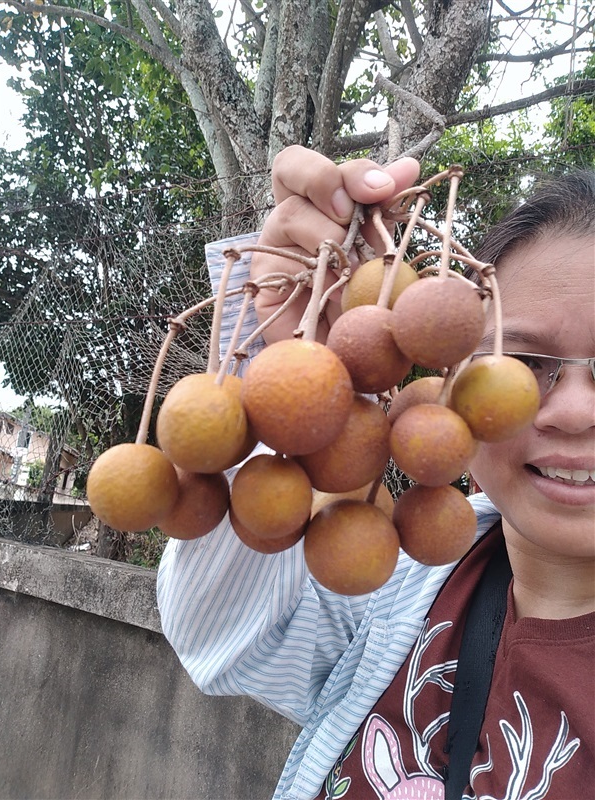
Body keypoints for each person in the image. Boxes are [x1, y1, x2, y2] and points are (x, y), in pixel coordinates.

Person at [157, 146, 595, 799]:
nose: (575, 412)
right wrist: (278, 354)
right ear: (452, 371)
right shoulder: (408, 581)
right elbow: (225, 639)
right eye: (526, 362)